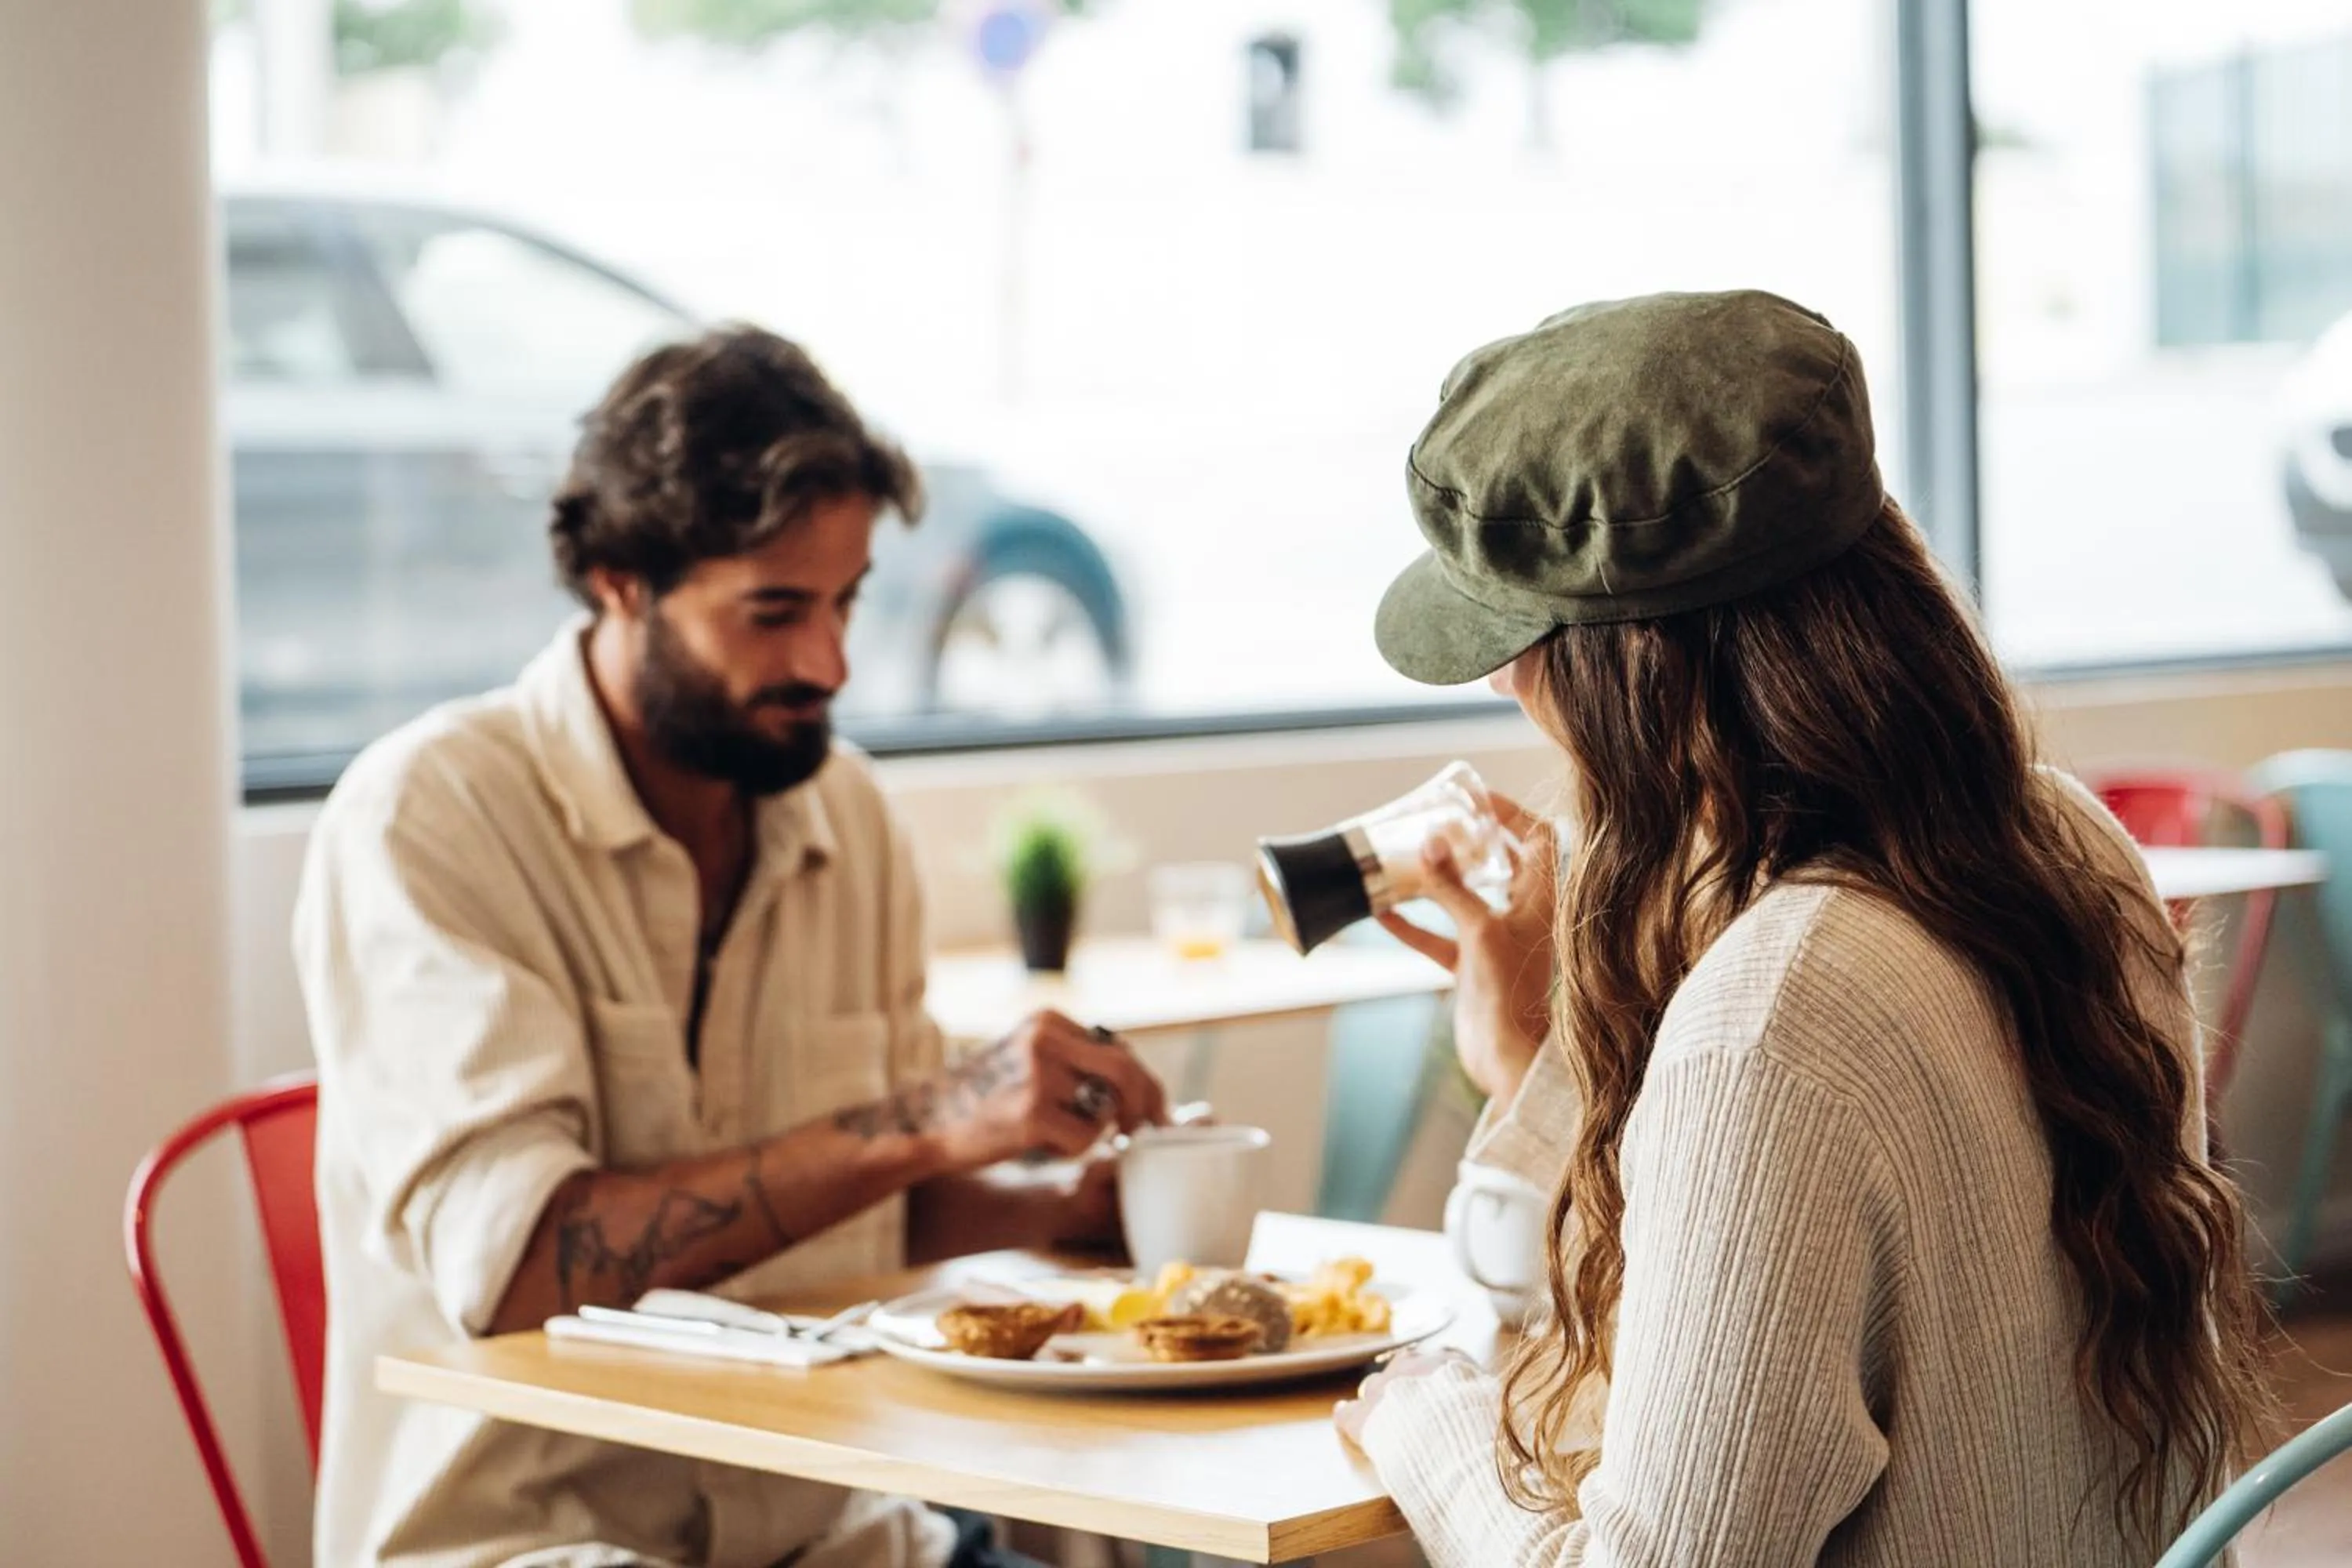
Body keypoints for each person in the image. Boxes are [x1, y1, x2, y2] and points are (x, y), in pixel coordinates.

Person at [1332, 290, 2272, 1566]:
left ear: (1630, 671)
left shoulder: (1771, 1018)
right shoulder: (2064, 844)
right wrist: (1540, 1048)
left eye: (1514, 642)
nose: (1502, 685)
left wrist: (1422, 1423)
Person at [295, 324, 1167, 1568]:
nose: (828, 662)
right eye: (773, 612)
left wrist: (1054, 1204)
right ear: (620, 582)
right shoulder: (431, 815)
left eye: (847, 601)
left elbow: (854, 1207)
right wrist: (931, 1116)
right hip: (532, 1542)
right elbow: (525, 1268)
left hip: (823, 1527)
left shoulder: (844, 816)